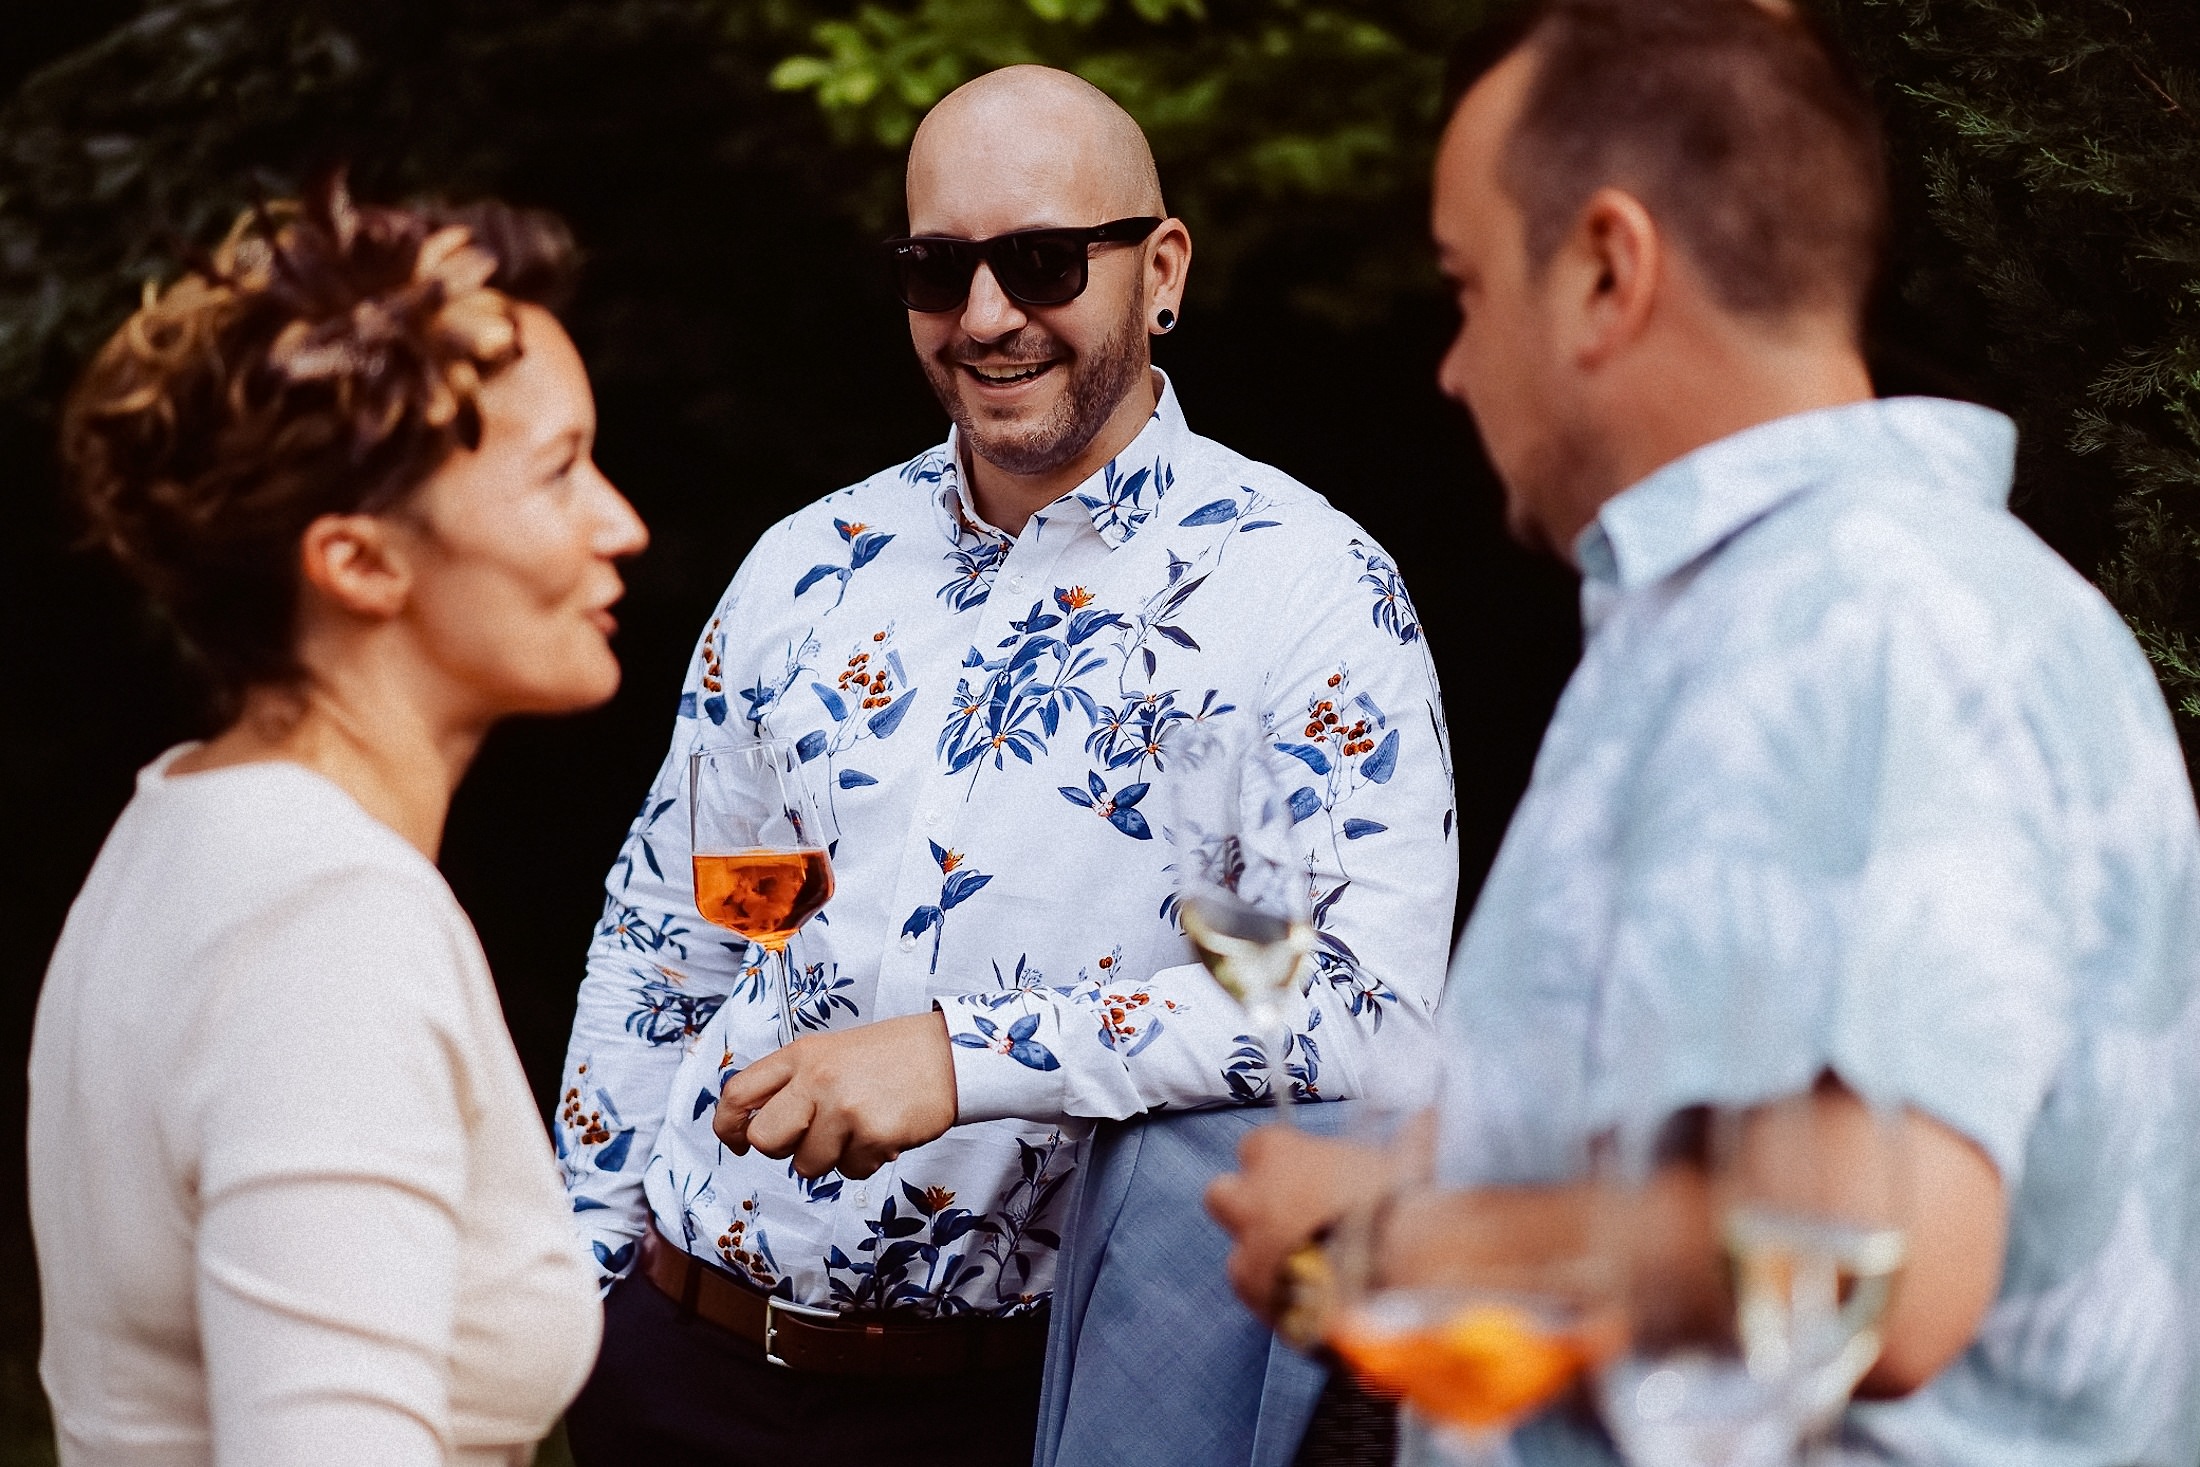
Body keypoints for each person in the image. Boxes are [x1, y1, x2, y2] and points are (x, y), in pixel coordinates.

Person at [1210, 1, 2200, 1462]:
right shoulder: (1784, 615)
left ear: (1609, 269)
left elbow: (1865, 1267)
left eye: (1468, 289)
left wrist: (1389, 1235)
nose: (1452, 366)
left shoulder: (1862, 620)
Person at [557, 63, 1457, 1467]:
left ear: (1160, 271)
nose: (984, 317)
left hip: (1004, 1405)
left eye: (1039, 262)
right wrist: (584, 1295)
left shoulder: (1313, 597)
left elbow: (1359, 1012)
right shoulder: (807, 570)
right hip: (680, 1364)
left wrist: (963, 1059)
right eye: (937, 270)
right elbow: (694, 931)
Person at [28, 176, 647, 1466]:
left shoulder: (188, 821)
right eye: (560, 472)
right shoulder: (326, 931)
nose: (621, 525)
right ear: (360, 561)